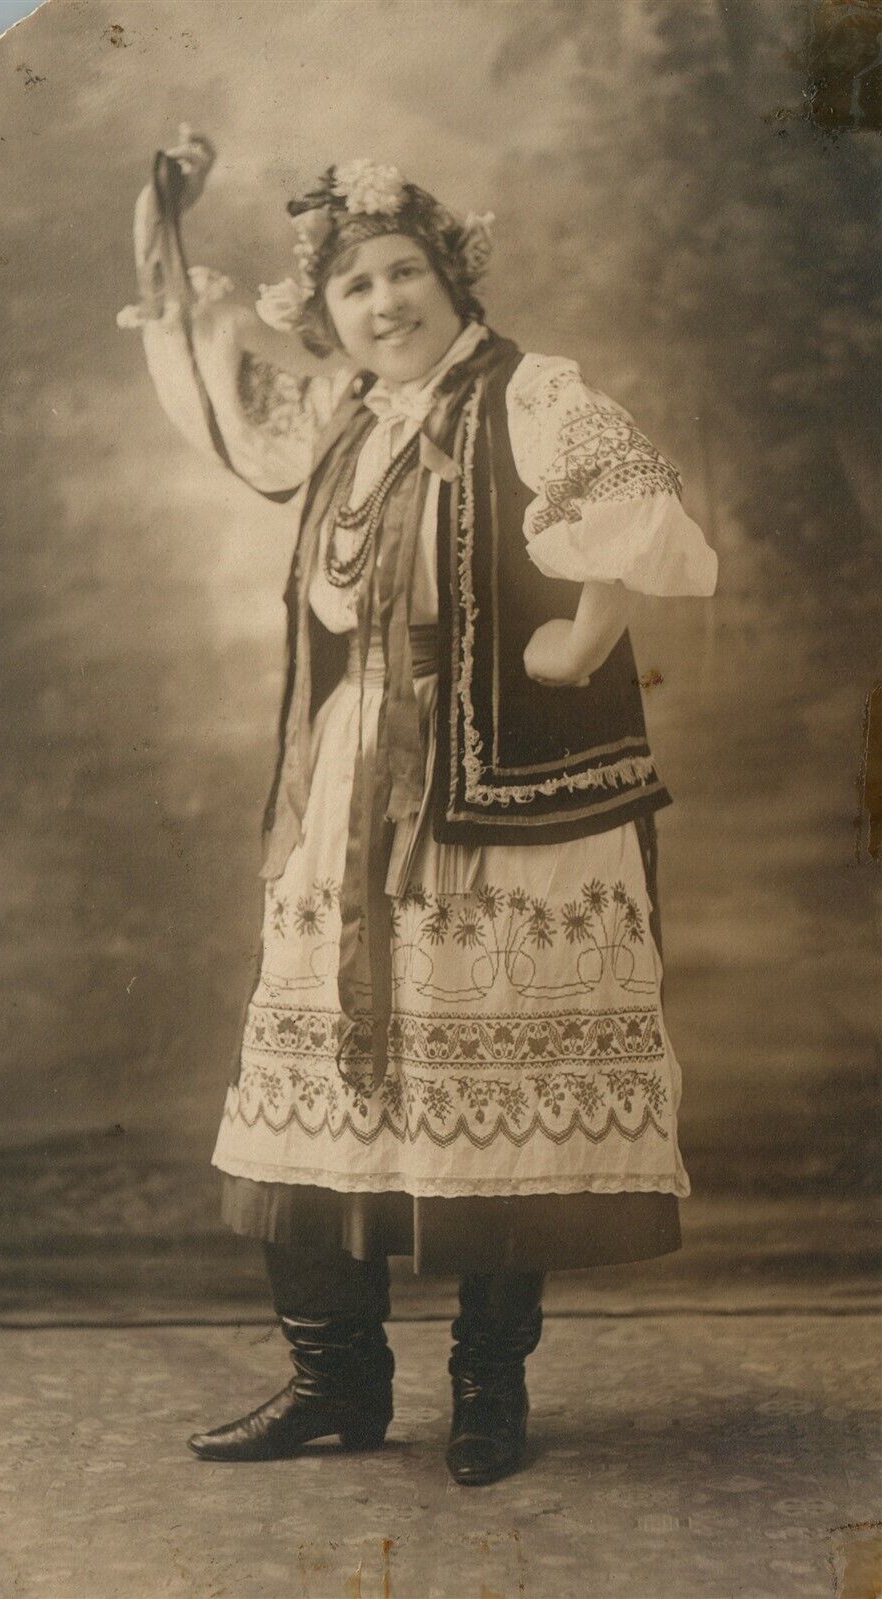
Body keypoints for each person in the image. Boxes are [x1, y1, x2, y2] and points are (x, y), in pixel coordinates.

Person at [120, 132, 718, 1487]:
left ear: (450, 274)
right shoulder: (343, 418)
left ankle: (486, 1396)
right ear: (326, 315)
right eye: (353, 289)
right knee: (323, 1074)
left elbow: (629, 498)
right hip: (348, 787)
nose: (383, 303)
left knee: (490, 1086)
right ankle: (334, 1385)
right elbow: (223, 395)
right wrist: (162, 234)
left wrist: (586, 629)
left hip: (503, 809)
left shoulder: (526, 394)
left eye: (403, 272)